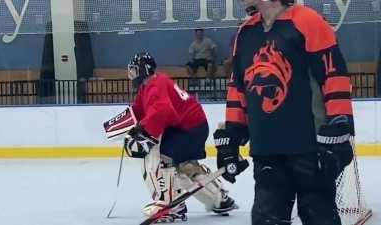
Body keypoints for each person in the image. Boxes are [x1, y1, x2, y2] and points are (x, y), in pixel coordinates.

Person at [213, 1, 355, 225]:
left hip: (310, 149)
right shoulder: (246, 32)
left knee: (320, 216)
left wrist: (340, 124)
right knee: (265, 219)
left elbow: (333, 76)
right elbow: (238, 87)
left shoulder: (308, 22)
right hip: (266, 149)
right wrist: (233, 132)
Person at [123, 52, 238, 222]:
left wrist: (144, 130)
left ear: (143, 69)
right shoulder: (149, 85)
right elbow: (139, 110)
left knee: (163, 158)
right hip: (189, 127)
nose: (131, 74)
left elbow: (162, 111)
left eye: (133, 70)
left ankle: (171, 205)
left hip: (190, 129)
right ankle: (219, 198)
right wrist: (129, 124)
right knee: (185, 167)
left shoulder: (155, 85)